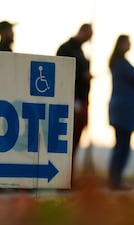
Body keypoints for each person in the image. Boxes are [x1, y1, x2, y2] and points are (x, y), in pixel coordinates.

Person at [108, 35, 134, 190]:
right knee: (123, 146)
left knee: (120, 145)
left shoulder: (116, 63)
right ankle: (116, 180)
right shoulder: (122, 64)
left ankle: (115, 179)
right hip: (125, 110)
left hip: (119, 109)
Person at [56, 23, 93, 184]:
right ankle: (63, 177)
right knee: (67, 141)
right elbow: (62, 71)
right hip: (71, 100)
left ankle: (69, 177)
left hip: (82, 100)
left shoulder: (80, 51)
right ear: (83, 31)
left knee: (75, 141)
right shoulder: (67, 49)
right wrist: (82, 76)